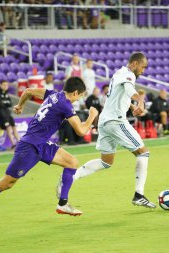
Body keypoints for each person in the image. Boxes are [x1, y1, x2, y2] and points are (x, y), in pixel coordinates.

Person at [0, 77, 99, 228]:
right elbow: (81, 131)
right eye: (80, 96)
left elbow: (28, 92)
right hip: (29, 147)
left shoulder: (53, 94)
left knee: (72, 162)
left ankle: (63, 203)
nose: (78, 99)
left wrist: (20, 106)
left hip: (42, 143)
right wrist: (92, 116)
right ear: (75, 93)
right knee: (6, 183)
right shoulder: (65, 105)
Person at [57, 52, 157, 209]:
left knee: (106, 161)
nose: (144, 70)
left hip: (104, 121)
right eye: (143, 67)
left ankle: (70, 178)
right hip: (115, 121)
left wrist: (130, 106)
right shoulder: (128, 75)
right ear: (135, 64)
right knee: (143, 153)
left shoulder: (119, 73)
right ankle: (139, 195)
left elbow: (117, 96)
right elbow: (130, 89)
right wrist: (140, 101)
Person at [0, 80, 20, 149]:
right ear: (0, 85)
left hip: (7, 113)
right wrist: (5, 103)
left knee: (13, 126)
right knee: (8, 127)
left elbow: (10, 103)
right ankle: (13, 144)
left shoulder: (6, 93)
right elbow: (0, 104)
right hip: (1, 113)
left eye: (7, 85)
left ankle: (19, 142)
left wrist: (5, 103)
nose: (5, 86)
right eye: (4, 85)